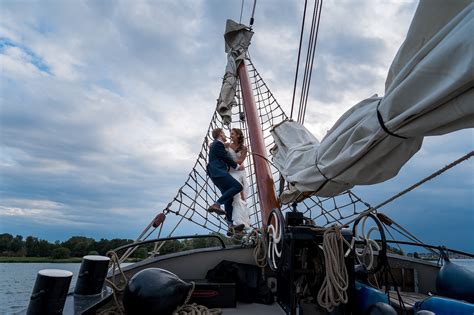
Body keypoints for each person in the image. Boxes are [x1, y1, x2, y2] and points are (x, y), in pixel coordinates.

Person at [207, 128, 245, 236]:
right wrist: (237, 167)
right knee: (238, 187)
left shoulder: (216, 144)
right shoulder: (217, 144)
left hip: (216, 174)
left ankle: (230, 226)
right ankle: (216, 204)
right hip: (218, 172)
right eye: (224, 133)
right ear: (220, 134)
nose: (225, 136)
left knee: (229, 198)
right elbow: (225, 157)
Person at [226, 128, 251, 228]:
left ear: (238, 135)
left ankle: (245, 221)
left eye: (232, 134)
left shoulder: (244, 148)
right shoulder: (227, 145)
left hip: (240, 173)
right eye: (230, 134)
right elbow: (216, 148)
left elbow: (240, 161)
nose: (231, 135)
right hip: (231, 173)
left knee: (243, 197)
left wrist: (228, 162)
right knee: (235, 196)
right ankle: (236, 222)